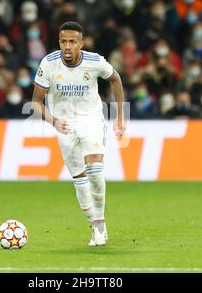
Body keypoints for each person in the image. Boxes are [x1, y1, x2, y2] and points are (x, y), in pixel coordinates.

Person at [31, 22, 126, 246]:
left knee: (94, 169)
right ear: (59, 42)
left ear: (81, 44)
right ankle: (94, 226)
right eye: (64, 41)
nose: (67, 46)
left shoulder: (94, 62)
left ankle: (101, 223)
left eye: (73, 42)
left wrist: (120, 117)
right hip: (64, 124)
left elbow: (115, 79)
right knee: (80, 179)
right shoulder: (49, 64)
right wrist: (54, 121)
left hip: (91, 118)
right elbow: (35, 103)